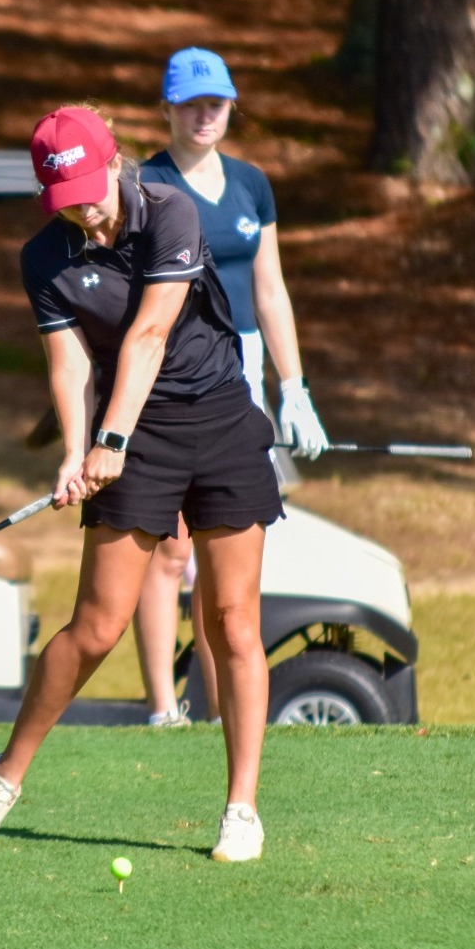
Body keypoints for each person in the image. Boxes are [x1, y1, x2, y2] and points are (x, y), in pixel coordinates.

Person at [0, 106, 286, 863]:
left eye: (89, 192)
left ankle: (241, 807)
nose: (84, 211)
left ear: (115, 161)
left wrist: (110, 441)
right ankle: (2, 778)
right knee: (97, 627)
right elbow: (70, 360)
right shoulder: (44, 257)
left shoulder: (171, 212)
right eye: (64, 199)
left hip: (219, 418)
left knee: (233, 621)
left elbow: (149, 334)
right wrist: (76, 451)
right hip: (136, 434)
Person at [132, 47, 329, 726]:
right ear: (167, 109)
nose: (204, 115)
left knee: (228, 548)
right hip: (174, 372)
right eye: (190, 104)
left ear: (230, 107)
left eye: (215, 103)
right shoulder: (147, 184)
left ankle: (220, 708)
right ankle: (164, 707)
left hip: (242, 370)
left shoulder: (251, 184)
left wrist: (294, 386)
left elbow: (270, 290)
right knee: (171, 547)